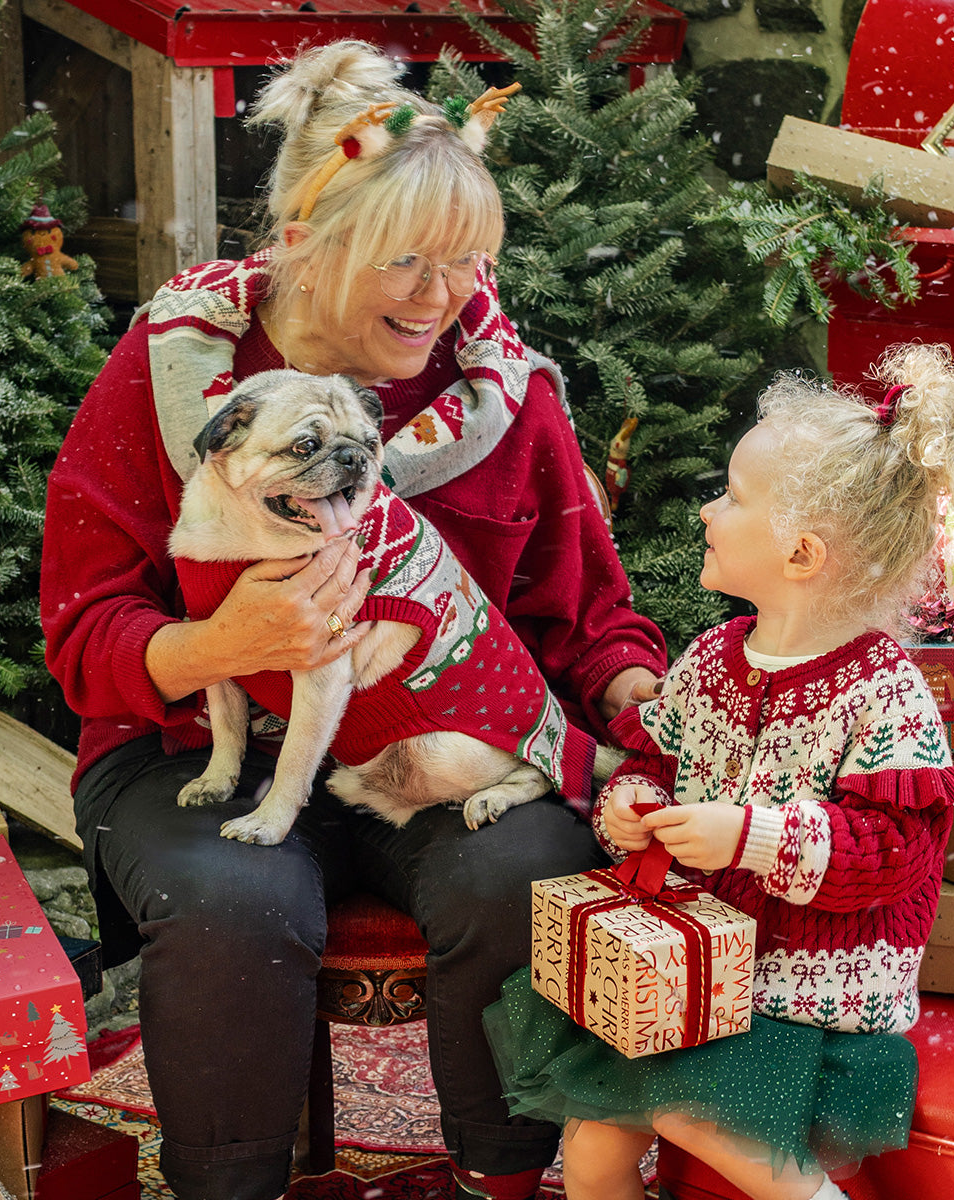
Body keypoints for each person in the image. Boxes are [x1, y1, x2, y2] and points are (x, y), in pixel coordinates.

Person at [40, 40, 666, 1200]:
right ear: (306, 244)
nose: (446, 297)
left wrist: (649, 708)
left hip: (425, 743)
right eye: (409, 262)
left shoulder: (498, 393)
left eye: (469, 262)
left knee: (525, 867)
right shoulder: (174, 373)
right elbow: (83, 634)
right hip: (193, 744)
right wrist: (221, 647)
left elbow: (586, 618)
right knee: (236, 903)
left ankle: (508, 1179)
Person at [482, 343, 954, 1200]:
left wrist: (753, 836)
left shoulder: (884, 693)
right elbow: (654, 758)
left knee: (705, 1120)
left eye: (730, 496)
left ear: (800, 554)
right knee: (591, 1135)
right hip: (689, 973)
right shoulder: (713, 658)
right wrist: (632, 804)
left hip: (804, 1005)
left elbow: (895, 855)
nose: (705, 509)